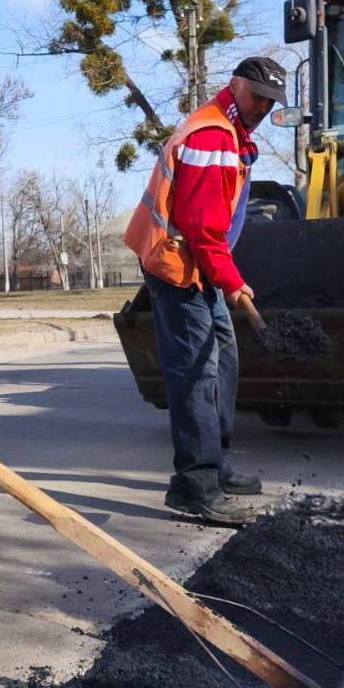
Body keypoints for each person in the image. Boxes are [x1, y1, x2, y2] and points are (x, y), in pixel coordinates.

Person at [124, 56, 288, 525]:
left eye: (271, 101)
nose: (263, 107)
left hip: (198, 264)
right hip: (176, 264)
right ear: (235, 85)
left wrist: (222, 277)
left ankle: (214, 461)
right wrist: (232, 281)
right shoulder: (212, 136)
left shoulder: (231, 131)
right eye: (258, 96)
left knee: (224, 357)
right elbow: (202, 227)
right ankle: (194, 484)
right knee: (196, 369)